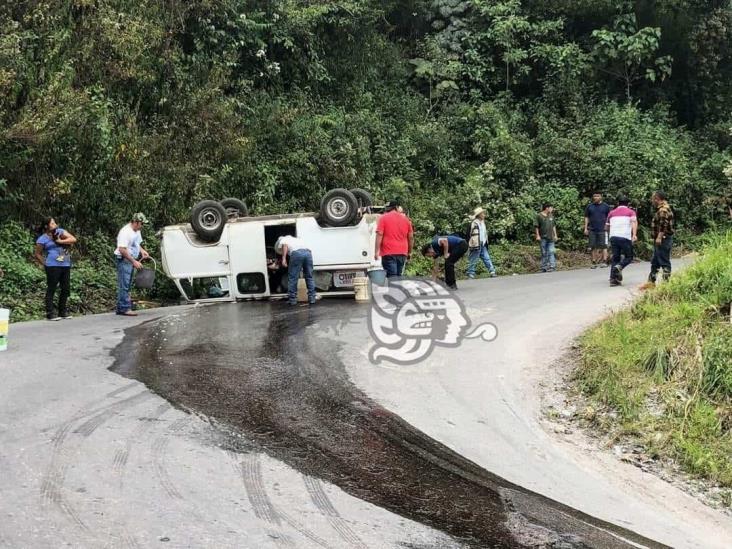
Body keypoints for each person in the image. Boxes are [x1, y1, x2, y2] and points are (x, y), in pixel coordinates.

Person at [34, 217, 77, 320]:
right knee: (52, 288)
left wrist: (60, 241)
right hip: (53, 265)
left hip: (65, 263)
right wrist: (46, 264)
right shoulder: (42, 239)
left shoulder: (60, 232)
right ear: (46, 226)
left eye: (54, 222)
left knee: (65, 288)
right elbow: (37, 254)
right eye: (52, 223)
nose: (55, 224)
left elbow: (73, 239)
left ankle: (62, 312)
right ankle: (50, 313)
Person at [114, 213, 150, 316]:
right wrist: (133, 261)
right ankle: (124, 308)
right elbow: (122, 249)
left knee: (128, 284)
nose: (142, 226)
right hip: (124, 259)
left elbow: (137, 243)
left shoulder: (137, 231)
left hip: (131, 259)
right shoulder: (125, 232)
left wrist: (142, 251)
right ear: (136, 222)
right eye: (141, 224)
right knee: (124, 284)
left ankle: (123, 306)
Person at [375, 199, 414, 278]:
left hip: (388, 252)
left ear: (387, 208)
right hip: (402, 253)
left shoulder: (383, 218)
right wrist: (409, 252)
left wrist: (376, 251)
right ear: (396, 207)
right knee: (398, 276)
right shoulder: (406, 220)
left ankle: (395, 290)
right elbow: (411, 238)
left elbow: (379, 235)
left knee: (392, 277)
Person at [606, 196, 638, 286]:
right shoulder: (631, 212)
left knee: (615, 257)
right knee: (629, 257)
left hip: (613, 237)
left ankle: (613, 280)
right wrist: (634, 235)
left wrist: (611, 233)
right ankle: (619, 267)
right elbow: (633, 223)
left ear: (618, 203)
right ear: (628, 204)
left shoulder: (611, 213)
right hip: (625, 237)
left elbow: (606, 227)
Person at [275, 235, 316, 305]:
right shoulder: (297, 240)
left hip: (296, 253)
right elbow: (309, 250)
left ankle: (292, 300)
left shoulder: (283, 239)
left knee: (293, 277)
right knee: (309, 277)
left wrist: (284, 259)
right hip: (308, 254)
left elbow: (285, 246)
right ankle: (312, 298)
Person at [645, 191, 675, 286]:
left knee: (664, 261)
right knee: (655, 261)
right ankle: (651, 282)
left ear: (657, 199)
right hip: (661, 239)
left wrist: (659, 237)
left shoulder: (663, 210)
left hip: (663, 239)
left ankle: (666, 283)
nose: (652, 201)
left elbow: (663, 224)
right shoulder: (663, 209)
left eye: (653, 198)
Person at [466, 207, 497, 279]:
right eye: (482, 213)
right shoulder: (473, 223)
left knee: (487, 258)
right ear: (479, 215)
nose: (484, 214)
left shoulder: (483, 223)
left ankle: (492, 272)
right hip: (475, 244)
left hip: (483, 243)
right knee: (473, 259)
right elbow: (468, 234)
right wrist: (470, 243)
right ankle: (470, 273)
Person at [584, 192, 611, 268]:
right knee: (592, 246)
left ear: (601, 197)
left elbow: (609, 217)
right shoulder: (590, 206)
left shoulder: (606, 206)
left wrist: (608, 227)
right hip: (592, 229)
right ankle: (593, 262)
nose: (595, 197)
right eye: (594, 196)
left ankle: (605, 261)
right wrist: (586, 228)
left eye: (597, 196)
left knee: (604, 246)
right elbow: (586, 217)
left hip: (603, 229)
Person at [534, 203, 558, 272]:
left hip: (551, 237)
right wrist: (537, 235)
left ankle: (552, 267)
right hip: (543, 237)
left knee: (551, 252)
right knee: (544, 253)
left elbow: (553, 226)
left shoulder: (551, 216)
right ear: (547, 208)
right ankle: (544, 267)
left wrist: (555, 235)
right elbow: (536, 226)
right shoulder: (539, 216)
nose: (552, 209)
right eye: (551, 208)